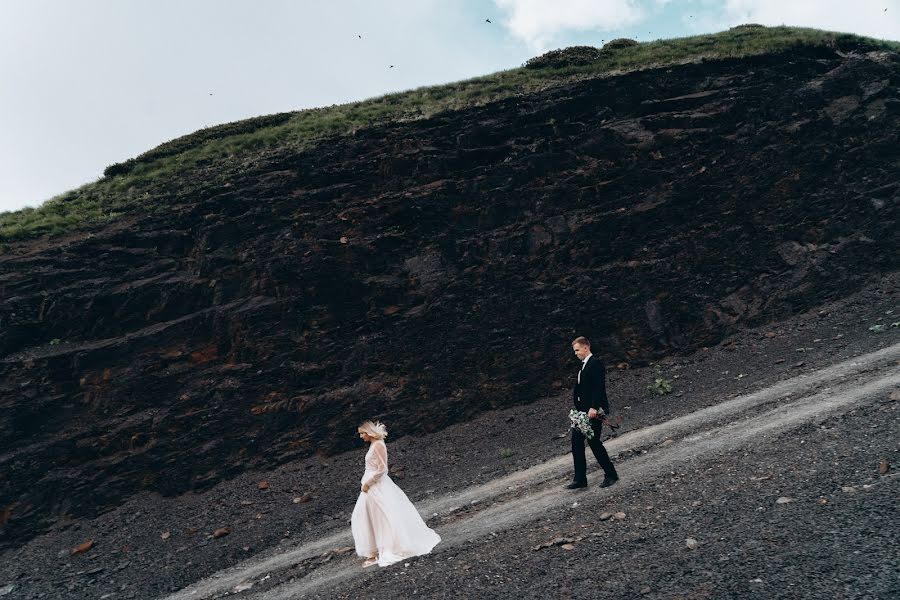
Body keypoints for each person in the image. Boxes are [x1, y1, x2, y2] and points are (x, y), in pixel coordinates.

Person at [350, 420, 441, 567]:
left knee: (377, 516)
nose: (361, 436)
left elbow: (382, 469)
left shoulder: (378, 445)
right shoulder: (374, 445)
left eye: (362, 433)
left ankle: (381, 550)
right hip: (371, 487)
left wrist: (368, 483)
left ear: (369, 432)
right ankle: (374, 552)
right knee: (367, 516)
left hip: (376, 486)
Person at [567, 336, 619, 489]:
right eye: (574, 351)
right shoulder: (583, 365)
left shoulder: (594, 363)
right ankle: (580, 479)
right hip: (582, 412)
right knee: (576, 442)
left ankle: (611, 474)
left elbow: (598, 387)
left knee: (593, 442)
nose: (576, 353)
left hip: (593, 411)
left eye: (577, 350)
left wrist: (594, 407)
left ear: (585, 348)